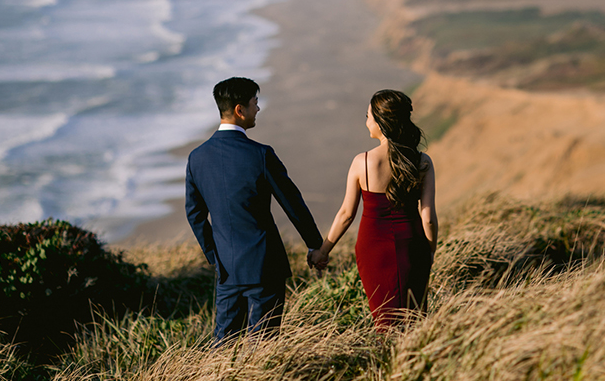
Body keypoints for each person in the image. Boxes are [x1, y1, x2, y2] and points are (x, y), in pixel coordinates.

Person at [185, 77, 326, 343]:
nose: (258, 109)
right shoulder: (261, 155)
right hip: (265, 266)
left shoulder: (197, 158)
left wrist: (215, 257)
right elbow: (292, 203)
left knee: (224, 344)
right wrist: (314, 245)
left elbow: (195, 214)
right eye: (254, 103)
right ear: (240, 110)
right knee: (263, 344)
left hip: (226, 269)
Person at [314, 89, 438, 328]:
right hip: (413, 244)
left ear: (382, 122)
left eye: (369, 116)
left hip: (373, 251)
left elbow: (346, 215)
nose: (367, 121)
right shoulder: (422, 162)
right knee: (416, 318)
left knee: (384, 319)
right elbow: (428, 217)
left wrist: (323, 251)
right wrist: (430, 249)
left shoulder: (363, 162)